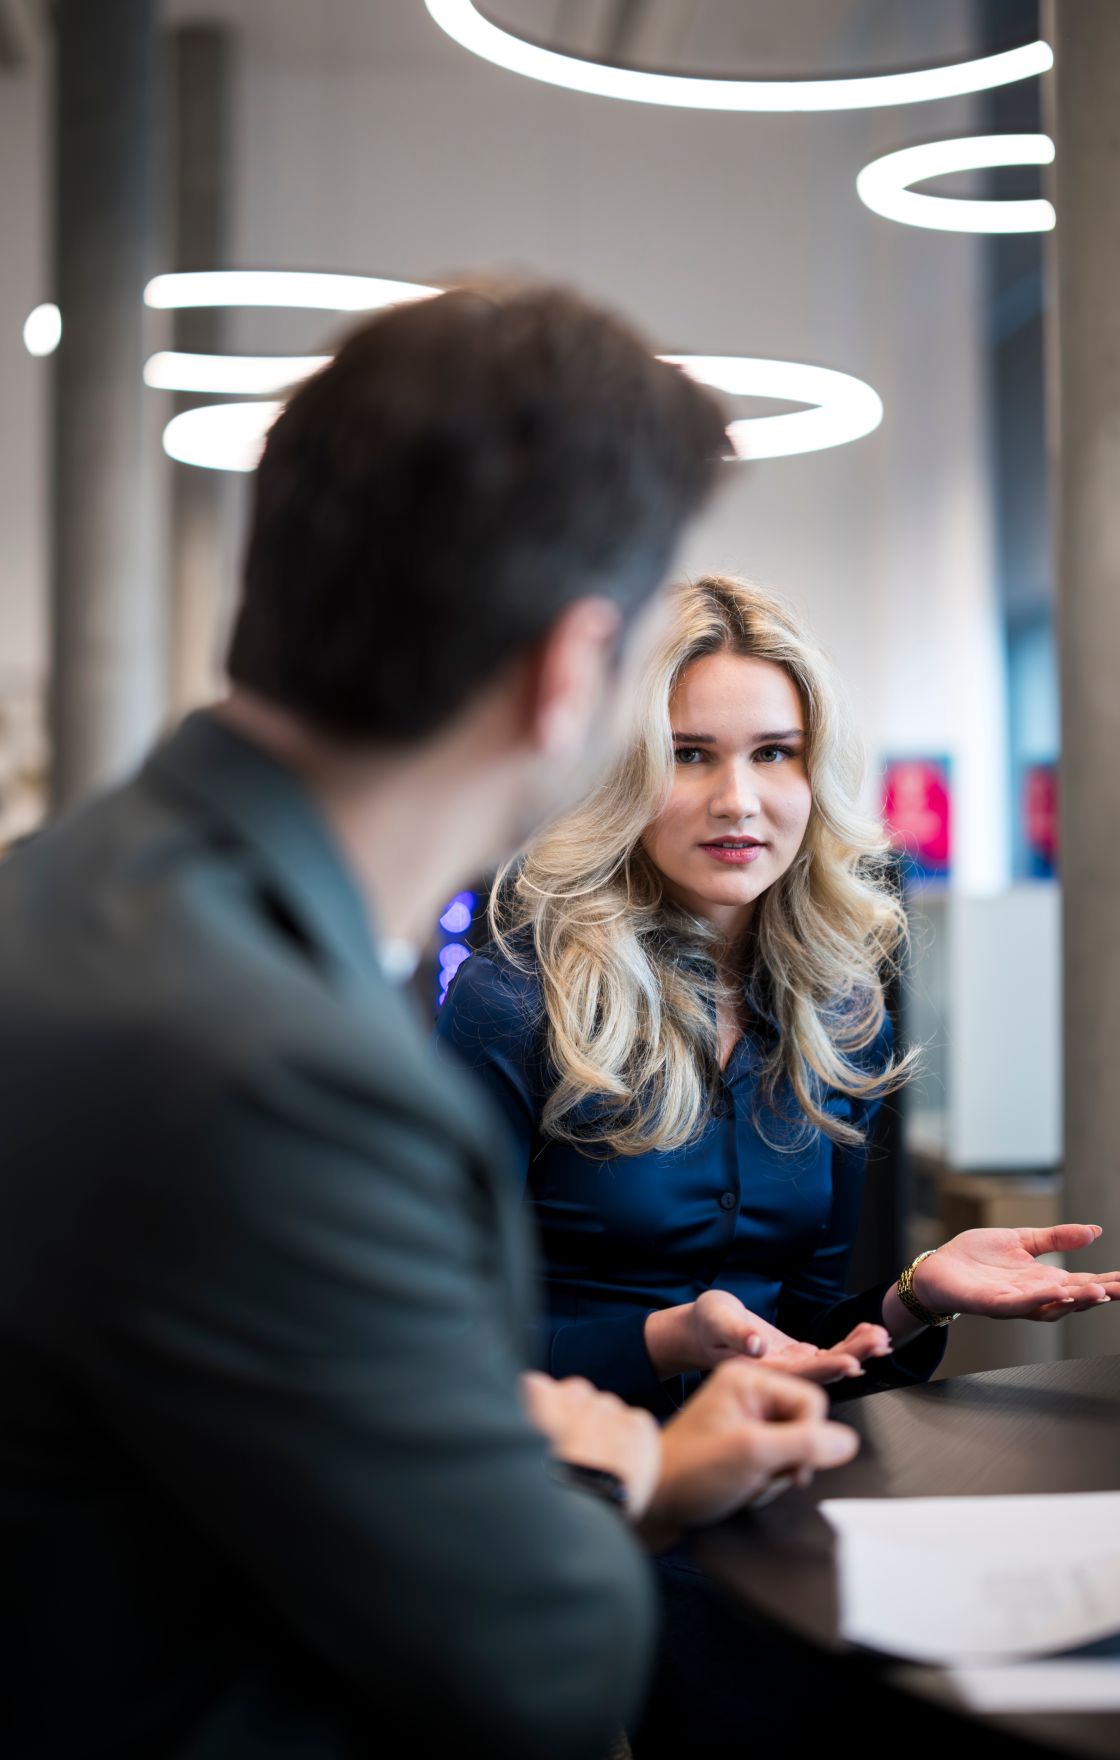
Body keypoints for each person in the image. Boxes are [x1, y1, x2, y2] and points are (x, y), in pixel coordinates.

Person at [0, 288, 863, 1760]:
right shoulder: (286, 1070)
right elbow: (539, 1660)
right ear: (572, 675)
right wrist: (614, 1474)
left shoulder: (71, 896)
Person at [436, 573, 1120, 1753]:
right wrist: (668, 1338)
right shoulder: (513, 1004)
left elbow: (811, 1336)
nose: (740, 799)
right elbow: (431, 1352)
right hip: (564, 1503)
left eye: (775, 752)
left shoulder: (839, 1009)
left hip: (771, 1498)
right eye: (690, 754)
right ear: (623, 770)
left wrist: (916, 1295)